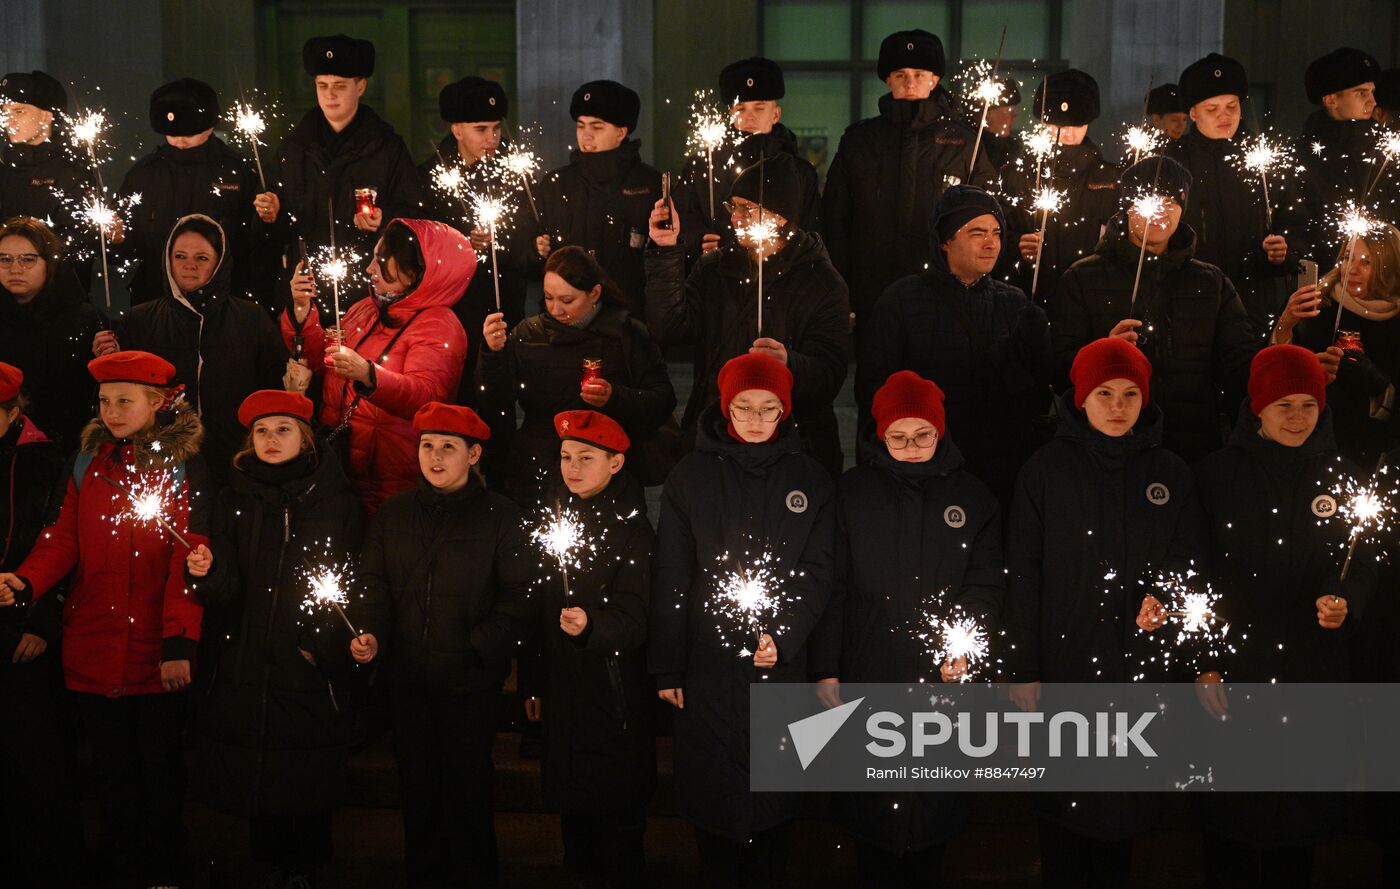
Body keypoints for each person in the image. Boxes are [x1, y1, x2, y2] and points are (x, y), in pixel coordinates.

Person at [0, 350, 208, 888]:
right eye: (104, 401)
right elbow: (63, 537)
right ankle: (122, 867)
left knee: (158, 771)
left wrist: (179, 641)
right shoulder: (86, 462)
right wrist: (27, 580)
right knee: (112, 774)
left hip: (151, 649)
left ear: (157, 404)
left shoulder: (180, 467)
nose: (111, 411)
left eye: (124, 400)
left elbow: (188, 557)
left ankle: (163, 869)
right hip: (93, 639)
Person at [1002, 337, 1205, 887]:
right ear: (1081, 398)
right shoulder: (1044, 472)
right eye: (1105, 393)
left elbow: (1188, 558)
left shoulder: (1169, 472)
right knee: (1065, 807)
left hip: (1138, 670)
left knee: (1124, 809)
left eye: (1130, 394)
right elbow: (1023, 574)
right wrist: (1023, 667)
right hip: (1065, 664)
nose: (1118, 406)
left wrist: (1164, 595)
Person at [1184, 344, 1375, 887]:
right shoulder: (1218, 475)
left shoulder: (1343, 473)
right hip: (1235, 669)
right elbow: (1194, 571)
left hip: (1312, 670)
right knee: (1231, 821)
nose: (1297, 418)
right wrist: (1204, 660)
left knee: (1299, 821)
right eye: (1284, 405)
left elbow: (1360, 559)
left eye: (1308, 406)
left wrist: (1346, 600)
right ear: (1258, 407)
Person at [810, 370, 1003, 887]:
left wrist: (962, 641)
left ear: (940, 432)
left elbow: (984, 584)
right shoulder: (852, 494)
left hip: (940, 676)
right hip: (868, 664)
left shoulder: (972, 496)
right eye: (898, 437)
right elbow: (834, 587)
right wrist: (827, 666)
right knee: (871, 811)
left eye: (923, 436)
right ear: (880, 435)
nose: (911, 447)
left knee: (933, 811)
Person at [649, 353, 834, 887]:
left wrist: (786, 631)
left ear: (785, 411)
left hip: (782, 662)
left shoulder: (810, 478)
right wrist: (668, 664)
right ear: (726, 407)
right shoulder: (693, 475)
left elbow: (818, 572)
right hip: (708, 664)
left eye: (768, 408)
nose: (756, 419)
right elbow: (673, 571)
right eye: (744, 406)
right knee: (714, 801)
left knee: (774, 806)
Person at [350, 401, 533, 889]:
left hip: (470, 683)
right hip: (408, 679)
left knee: (468, 790)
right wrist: (370, 633)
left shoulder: (501, 516)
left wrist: (478, 646)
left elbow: (520, 596)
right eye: (427, 445)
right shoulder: (394, 514)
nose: (434, 457)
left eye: (448, 447)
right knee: (418, 790)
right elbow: (371, 584)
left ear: (473, 455)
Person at [185, 390, 361, 888]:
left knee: (304, 772)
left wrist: (320, 645)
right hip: (248, 652)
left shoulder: (333, 501)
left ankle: (306, 868)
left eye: (283, 429)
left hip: (306, 658)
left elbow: (349, 579)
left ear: (304, 436)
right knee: (260, 770)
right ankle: (269, 865)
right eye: (262, 430)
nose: (270, 439)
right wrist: (205, 572)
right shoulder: (233, 497)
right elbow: (227, 590)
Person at [646, 153, 850, 477]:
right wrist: (665, 250)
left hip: (793, 447)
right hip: (716, 436)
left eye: (747, 209)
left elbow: (830, 373)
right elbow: (671, 328)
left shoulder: (822, 283)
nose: (735, 219)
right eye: (733, 207)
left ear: (781, 217)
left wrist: (790, 363)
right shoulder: (715, 268)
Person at [521, 409, 656, 889]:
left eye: (585, 457)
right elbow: (538, 613)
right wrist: (534, 679)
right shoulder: (554, 516)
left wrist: (592, 625)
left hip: (611, 697)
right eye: (565, 456)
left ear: (615, 463)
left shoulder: (633, 531)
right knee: (574, 821)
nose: (572, 467)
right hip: (562, 693)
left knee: (616, 828)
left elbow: (636, 620)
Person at [1052, 155, 1260, 461]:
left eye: (1171, 202)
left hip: (1192, 447)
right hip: (1108, 451)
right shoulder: (1082, 278)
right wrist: (1102, 354)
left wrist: (1282, 345)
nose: (1160, 212)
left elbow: (1239, 367)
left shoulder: (1211, 282)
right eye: (1149, 200)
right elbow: (1058, 368)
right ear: (1128, 206)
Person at [858, 185, 1051, 507]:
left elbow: (1034, 401)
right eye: (977, 232)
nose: (991, 243)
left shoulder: (1015, 304)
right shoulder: (901, 301)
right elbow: (873, 394)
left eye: (996, 233)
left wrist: (1036, 349)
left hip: (997, 473)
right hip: (922, 468)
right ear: (945, 241)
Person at [283, 218, 475, 514]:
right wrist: (302, 310)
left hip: (393, 479)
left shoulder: (439, 326)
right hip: (341, 464)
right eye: (374, 257)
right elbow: (322, 362)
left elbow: (428, 397)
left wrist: (370, 375)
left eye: (383, 263)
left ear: (415, 275)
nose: (370, 269)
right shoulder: (367, 309)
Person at [823, 28, 998, 331]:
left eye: (919, 73)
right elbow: (835, 219)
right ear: (887, 79)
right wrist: (840, 290)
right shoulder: (859, 141)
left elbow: (988, 215)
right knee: (878, 374)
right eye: (900, 74)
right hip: (872, 292)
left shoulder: (964, 142)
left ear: (935, 79)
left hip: (945, 291)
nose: (910, 82)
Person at [94, 214, 287, 484]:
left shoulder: (251, 318)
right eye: (180, 256)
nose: (189, 266)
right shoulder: (139, 320)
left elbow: (275, 388)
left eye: (202, 258)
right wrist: (111, 360)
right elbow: (122, 396)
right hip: (161, 463)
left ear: (219, 263)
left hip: (237, 462)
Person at [478, 245, 675, 499]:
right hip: (537, 472)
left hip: (605, 475)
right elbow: (496, 401)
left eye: (567, 300)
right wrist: (493, 354)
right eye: (549, 297)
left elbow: (662, 400)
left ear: (594, 293)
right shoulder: (528, 334)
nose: (556, 309)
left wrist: (615, 397)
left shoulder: (627, 334)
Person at [0, 362, 80, 888]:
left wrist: (42, 621)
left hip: (23, 625)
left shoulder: (46, 460)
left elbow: (65, 547)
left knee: (32, 759)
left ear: (12, 412)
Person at [256, 35, 425, 266]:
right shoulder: (294, 148)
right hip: (307, 283)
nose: (330, 95)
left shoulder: (387, 147)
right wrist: (272, 215)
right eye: (322, 85)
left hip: (369, 280)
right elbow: (274, 231)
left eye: (340, 86)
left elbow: (415, 214)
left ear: (361, 86)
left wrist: (384, 220)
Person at [1163, 53, 1298, 334]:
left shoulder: (1264, 159)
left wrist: (1281, 253)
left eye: (1232, 106)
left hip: (1254, 302)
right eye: (1212, 109)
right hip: (1188, 300)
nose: (1224, 115)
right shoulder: (1172, 161)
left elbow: (1292, 220)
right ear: (1193, 112)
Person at [420, 76, 529, 406]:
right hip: (452, 312)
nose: (492, 139)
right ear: (457, 129)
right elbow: (423, 243)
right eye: (481, 129)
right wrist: (463, 245)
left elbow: (528, 232)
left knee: (498, 405)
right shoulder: (429, 177)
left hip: (503, 308)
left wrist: (530, 245)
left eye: (496, 128)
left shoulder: (514, 173)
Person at [118, 78, 267, 308]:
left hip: (224, 304)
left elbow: (259, 246)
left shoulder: (238, 171)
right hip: (156, 302)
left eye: (188, 131)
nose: (180, 139)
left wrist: (269, 219)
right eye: (171, 132)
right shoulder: (144, 174)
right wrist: (114, 239)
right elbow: (124, 249)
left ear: (209, 125)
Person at [532, 80, 671, 312]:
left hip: (630, 315)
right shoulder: (556, 183)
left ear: (621, 132)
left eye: (597, 128)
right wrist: (534, 248)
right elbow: (534, 243)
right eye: (581, 126)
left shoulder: (649, 184)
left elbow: (663, 253)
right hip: (564, 316)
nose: (586, 136)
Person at [1271, 223, 1400, 468]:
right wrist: (1285, 326)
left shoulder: (1395, 323)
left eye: (1366, 262)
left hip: (1372, 456)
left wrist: (1379, 384)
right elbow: (1269, 371)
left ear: (1388, 267)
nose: (1351, 269)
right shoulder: (1315, 305)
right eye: (1347, 257)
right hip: (1310, 447)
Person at [1004, 69, 1120, 305]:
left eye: (1076, 124)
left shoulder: (1111, 179)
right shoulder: (1017, 174)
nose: (1065, 132)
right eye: (1056, 124)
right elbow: (996, 229)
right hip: (1025, 297)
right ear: (1043, 121)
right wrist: (1016, 244)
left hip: (1091, 299)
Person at [676, 56, 822, 244]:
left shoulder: (799, 172)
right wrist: (699, 242)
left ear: (776, 114)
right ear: (730, 113)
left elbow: (812, 232)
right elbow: (683, 219)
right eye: (741, 109)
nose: (749, 117)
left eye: (759, 108)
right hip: (716, 270)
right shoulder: (703, 166)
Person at [0, 215, 104, 450]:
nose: (15, 268)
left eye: (28, 259)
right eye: (4, 259)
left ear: (49, 262)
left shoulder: (83, 318)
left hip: (65, 447)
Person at [1297, 47, 1397, 264]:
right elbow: (1297, 225)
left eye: (1372, 92)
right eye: (1361, 93)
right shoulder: (1305, 155)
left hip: (1384, 276)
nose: (1372, 101)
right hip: (1327, 278)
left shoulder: (1387, 150)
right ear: (1331, 99)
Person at [0, 71, 98, 282]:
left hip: (54, 301)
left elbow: (77, 246)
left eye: (19, 111)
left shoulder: (72, 172)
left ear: (47, 115)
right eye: (4, 111)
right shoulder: (3, 166)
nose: (9, 120)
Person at [981, 76, 1022, 170]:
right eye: (1008, 110)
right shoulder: (971, 151)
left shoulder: (1013, 152)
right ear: (987, 114)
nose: (1014, 115)